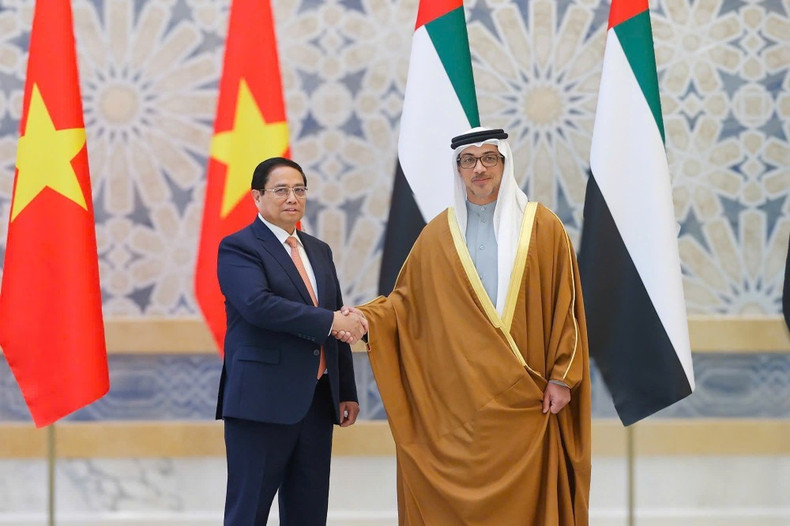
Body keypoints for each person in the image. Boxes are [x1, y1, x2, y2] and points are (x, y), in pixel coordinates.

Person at [348, 127, 591, 524]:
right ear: (458, 169)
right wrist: (362, 318)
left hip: (528, 399)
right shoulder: (438, 235)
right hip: (459, 402)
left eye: (488, 159)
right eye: (468, 160)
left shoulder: (543, 227)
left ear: (504, 164)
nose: (479, 168)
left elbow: (568, 307)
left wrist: (562, 378)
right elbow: (404, 305)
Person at [216, 157, 366, 526]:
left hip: (316, 402)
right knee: (248, 511)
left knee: (309, 512)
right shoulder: (239, 247)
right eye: (281, 190)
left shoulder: (318, 250)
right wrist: (332, 320)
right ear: (257, 197)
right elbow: (258, 306)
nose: (292, 198)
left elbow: (333, 320)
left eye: (299, 190)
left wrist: (345, 388)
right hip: (261, 403)